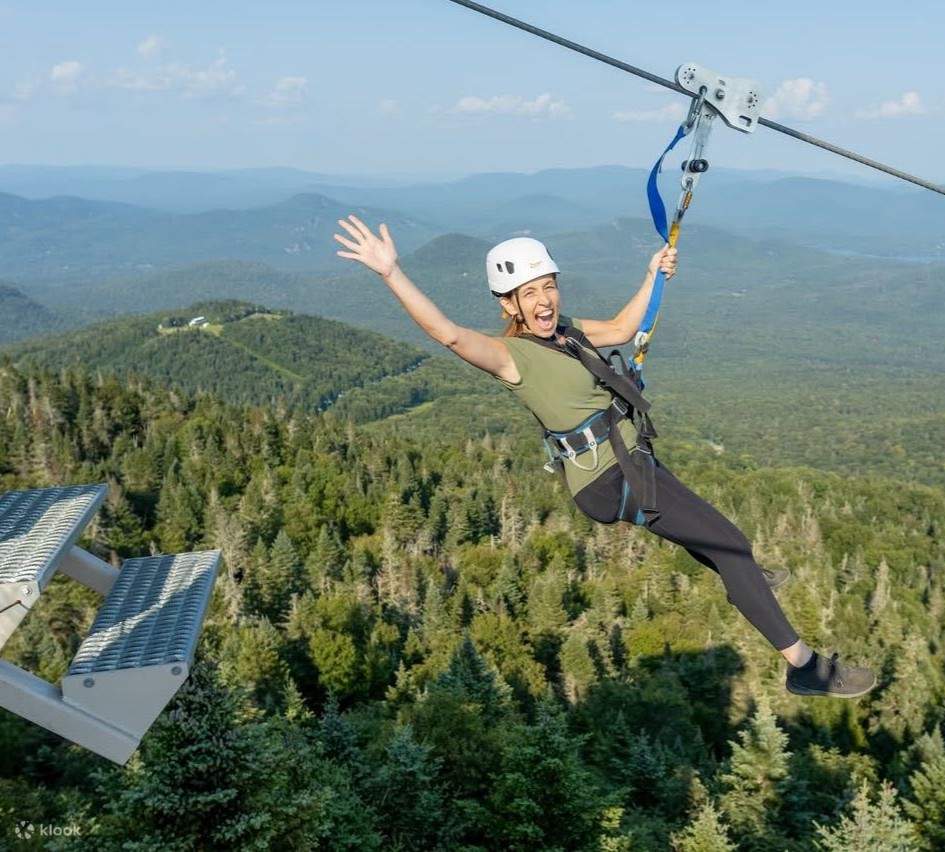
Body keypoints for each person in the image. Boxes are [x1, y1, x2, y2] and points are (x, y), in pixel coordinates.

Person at [333, 215, 875, 698]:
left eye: (549, 286)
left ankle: (744, 582)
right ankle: (804, 668)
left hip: (630, 461)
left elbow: (620, 329)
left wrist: (652, 274)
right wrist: (391, 273)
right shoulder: (510, 357)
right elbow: (448, 334)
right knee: (732, 546)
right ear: (508, 304)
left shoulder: (567, 334)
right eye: (529, 292)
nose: (544, 300)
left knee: (726, 546)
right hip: (610, 479)